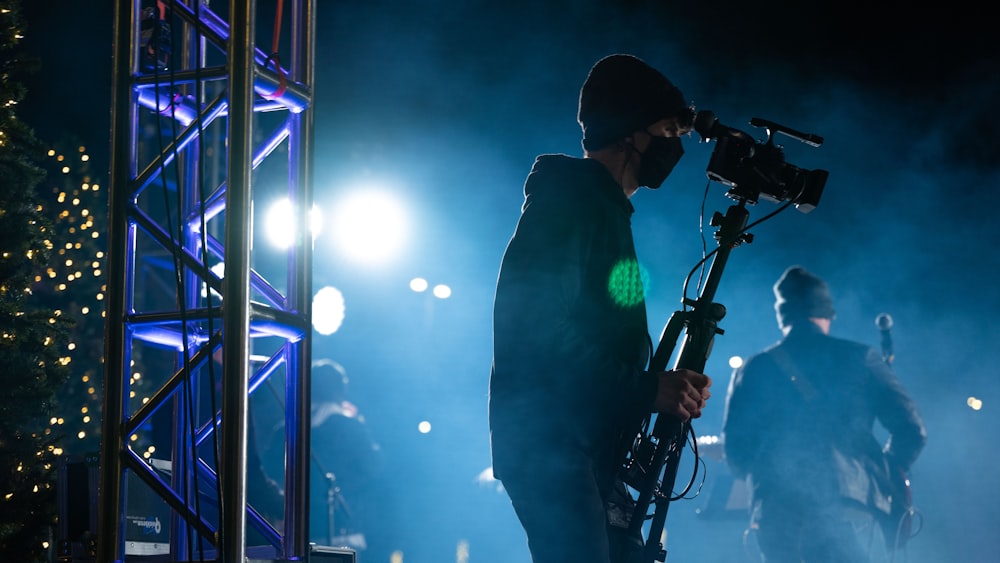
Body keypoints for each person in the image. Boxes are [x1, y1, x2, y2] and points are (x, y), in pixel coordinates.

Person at [487, 53, 713, 563]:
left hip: (585, 445)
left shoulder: (606, 212)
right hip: (553, 443)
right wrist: (644, 389)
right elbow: (535, 327)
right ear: (630, 132)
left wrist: (654, 388)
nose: (675, 145)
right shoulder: (568, 203)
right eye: (668, 129)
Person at [721, 265, 928, 563]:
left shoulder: (754, 368)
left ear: (783, 317)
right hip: (846, 502)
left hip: (775, 509)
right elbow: (912, 429)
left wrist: (767, 477)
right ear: (827, 314)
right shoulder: (861, 357)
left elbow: (736, 452)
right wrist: (881, 469)